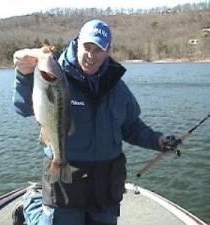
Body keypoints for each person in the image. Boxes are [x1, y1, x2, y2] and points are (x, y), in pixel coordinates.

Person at [12, 19, 172, 225]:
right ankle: (31, 207)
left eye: (98, 49)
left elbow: (131, 126)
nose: (91, 55)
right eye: (87, 46)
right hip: (66, 182)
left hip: (106, 184)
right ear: (77, 43)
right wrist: (24, 76)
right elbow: (23, 108)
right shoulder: (54, 74)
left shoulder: (118, 88)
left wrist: (157, 140)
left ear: (108, 51)